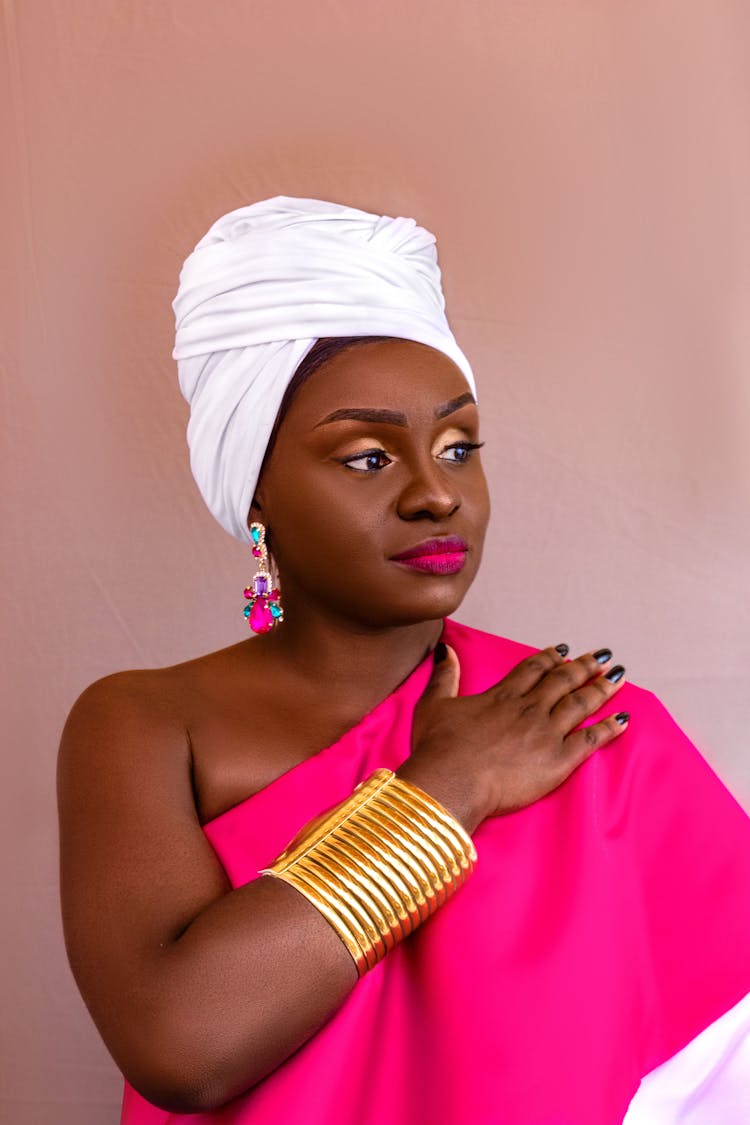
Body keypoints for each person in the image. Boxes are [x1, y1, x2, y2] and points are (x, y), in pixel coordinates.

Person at [58, 198, 750, 1124]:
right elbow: (182, 1045)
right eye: (367, 458)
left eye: (459, 446)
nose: (435, 493)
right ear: (253, 487)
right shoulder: (143, 724)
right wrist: (445, 789)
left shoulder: (590, 730)